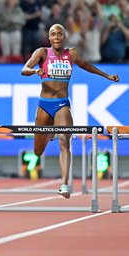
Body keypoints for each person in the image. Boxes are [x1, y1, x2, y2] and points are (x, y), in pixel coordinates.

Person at [21, 24, 119, 198]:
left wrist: (107, 76)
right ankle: (49, 131)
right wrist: (36, 70)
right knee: (37, 151)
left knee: (65, 142)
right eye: (53, 34)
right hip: (44, 105)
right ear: (49, 38)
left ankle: (64, 184)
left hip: (62, 104)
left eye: (60, 34)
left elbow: (88, 66)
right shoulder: (42, 53)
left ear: (64, 37)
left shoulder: (71, 54)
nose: (57, 37)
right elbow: (24, 70)